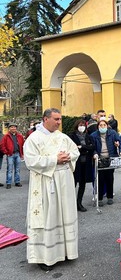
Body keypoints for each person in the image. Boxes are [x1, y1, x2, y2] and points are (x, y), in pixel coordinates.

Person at [23, 108, 80, 271]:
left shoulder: (62, 137)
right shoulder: (34, 139)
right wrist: (55, 159)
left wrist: (68, 157)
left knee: (65, 215)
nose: (59, 122)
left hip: (65, 182)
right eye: (56, 119)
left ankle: (66, 251)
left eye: (60, 119)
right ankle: (45, 257)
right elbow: (30, 161)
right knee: (49, 216)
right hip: (46, 183)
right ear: (45, 119)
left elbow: (75, 151)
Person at [91, 118, 121, 206]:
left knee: (110, 178)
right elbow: (92, 147)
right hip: (100, 159)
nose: (102, 127)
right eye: (100, 125)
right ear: (98, 126)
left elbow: (120, 141)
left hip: (111, 157)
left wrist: (120, 149)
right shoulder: (94, 135)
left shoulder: (112, 133)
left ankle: (110, 197)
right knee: (100, 179)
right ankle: (100, 198)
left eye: (104, 125)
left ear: (107, 126)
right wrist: (94, 153)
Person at [69, 119, 95, 212]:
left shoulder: (88, 136)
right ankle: (70, 204)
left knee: (83, 183)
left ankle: (79, 202)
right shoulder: (71, 136)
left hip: (86, 162)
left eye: (83, 125)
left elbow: (92, 147)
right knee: (74, 183)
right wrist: (81, 148)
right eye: (80, 125)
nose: (82, 127)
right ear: (77, 126)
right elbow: (72, 148)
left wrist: (82, 147)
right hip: (76, 163)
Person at [1, 122, 24, 189]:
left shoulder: (20, 136)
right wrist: (6, 152)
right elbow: (2, 145)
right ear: (9, 129)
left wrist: (22, 154)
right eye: (12, 127)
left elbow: (23, 145)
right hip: (10, 155)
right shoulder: (6, 136)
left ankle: (17, 182)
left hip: (17, 154)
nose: (13, 128)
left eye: (14, 127)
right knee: (9, 169)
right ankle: (8, 183)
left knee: (17, 169)